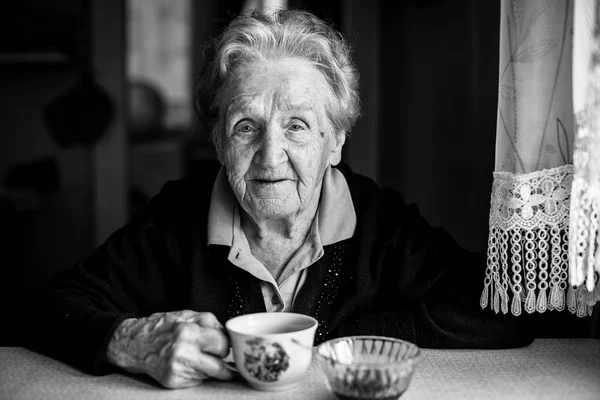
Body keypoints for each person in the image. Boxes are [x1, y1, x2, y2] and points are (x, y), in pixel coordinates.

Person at [38, 9, 534, 389]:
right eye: (246, 127)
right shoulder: (174, 219)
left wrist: (359, 334)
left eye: (296, 126)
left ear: (335, 142)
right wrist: (133, 342)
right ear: (217, 141)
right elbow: (52, 309)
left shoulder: (380, 223)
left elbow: (508, 307)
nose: (270, 157)